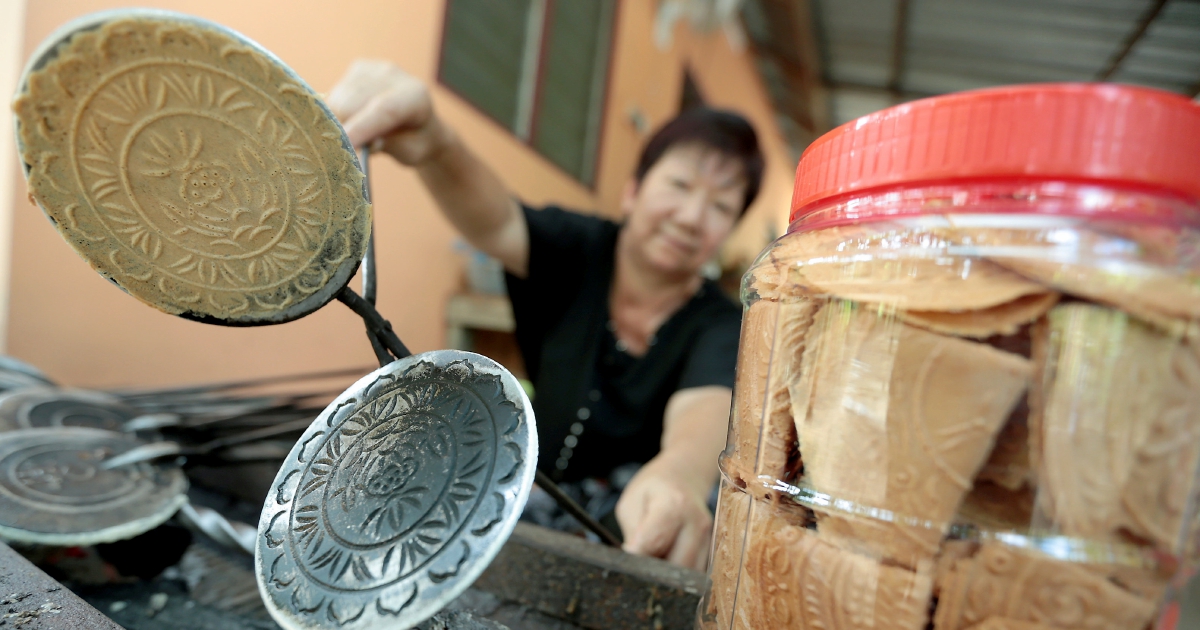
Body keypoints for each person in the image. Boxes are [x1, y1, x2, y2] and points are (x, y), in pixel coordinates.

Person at [327, 60, 764, 571]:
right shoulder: (578, 249)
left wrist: (678, 479)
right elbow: (496, 219)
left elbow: (703, 415)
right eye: (680, 185)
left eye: (720, 206)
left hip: (628, 526)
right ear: (633, 190)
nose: (692, 217)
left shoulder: (720, 321)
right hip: (526, 487)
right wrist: (436, 140)